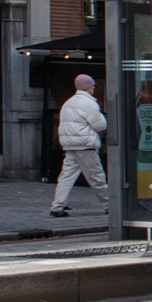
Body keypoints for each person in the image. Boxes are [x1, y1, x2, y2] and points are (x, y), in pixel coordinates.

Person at [50, 74, 110, 217]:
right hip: (85, 145)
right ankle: (110, 205)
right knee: (96, 176)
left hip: (71, 145)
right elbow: (101, 125)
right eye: (93, 85)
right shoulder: (88, 103)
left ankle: (57, 207)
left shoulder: (68, 102)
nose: (94, 88)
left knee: (66, 176)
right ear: (87, 87)